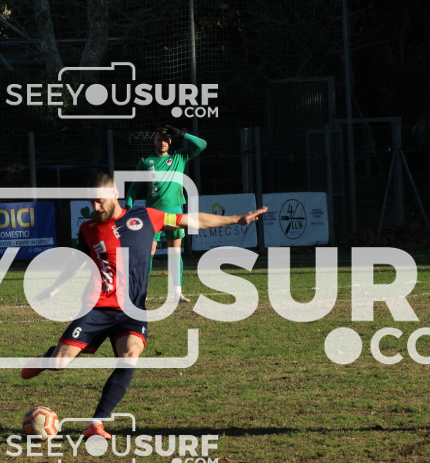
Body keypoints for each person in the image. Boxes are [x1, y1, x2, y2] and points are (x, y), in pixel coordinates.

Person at [21, 173, 267, 439]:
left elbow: (191, 220)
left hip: (132, 311)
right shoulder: (88, 228)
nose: (95, 207)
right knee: (60, 363)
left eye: (100, 201)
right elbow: (79, 260)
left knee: (130, 355)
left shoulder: (147, 217)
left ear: (114, 194)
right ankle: (48, 359)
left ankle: (96, 424)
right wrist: (56, 286)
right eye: (91, 202)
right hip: (97, 307)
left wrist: (236, 219)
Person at [125, 125, 207, 303]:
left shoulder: (179, 157)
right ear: (154, 141)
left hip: (174, 212)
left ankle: (177, 293)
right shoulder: (146, 162)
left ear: (170, 141)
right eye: (159, 139)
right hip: (152, 214)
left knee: (175, 251)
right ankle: (141, 292)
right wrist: (129, 205)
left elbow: (202, 144)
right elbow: (134, 186)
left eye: (165, 139)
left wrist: (183, 135)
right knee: (148, 251)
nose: (162, 142)